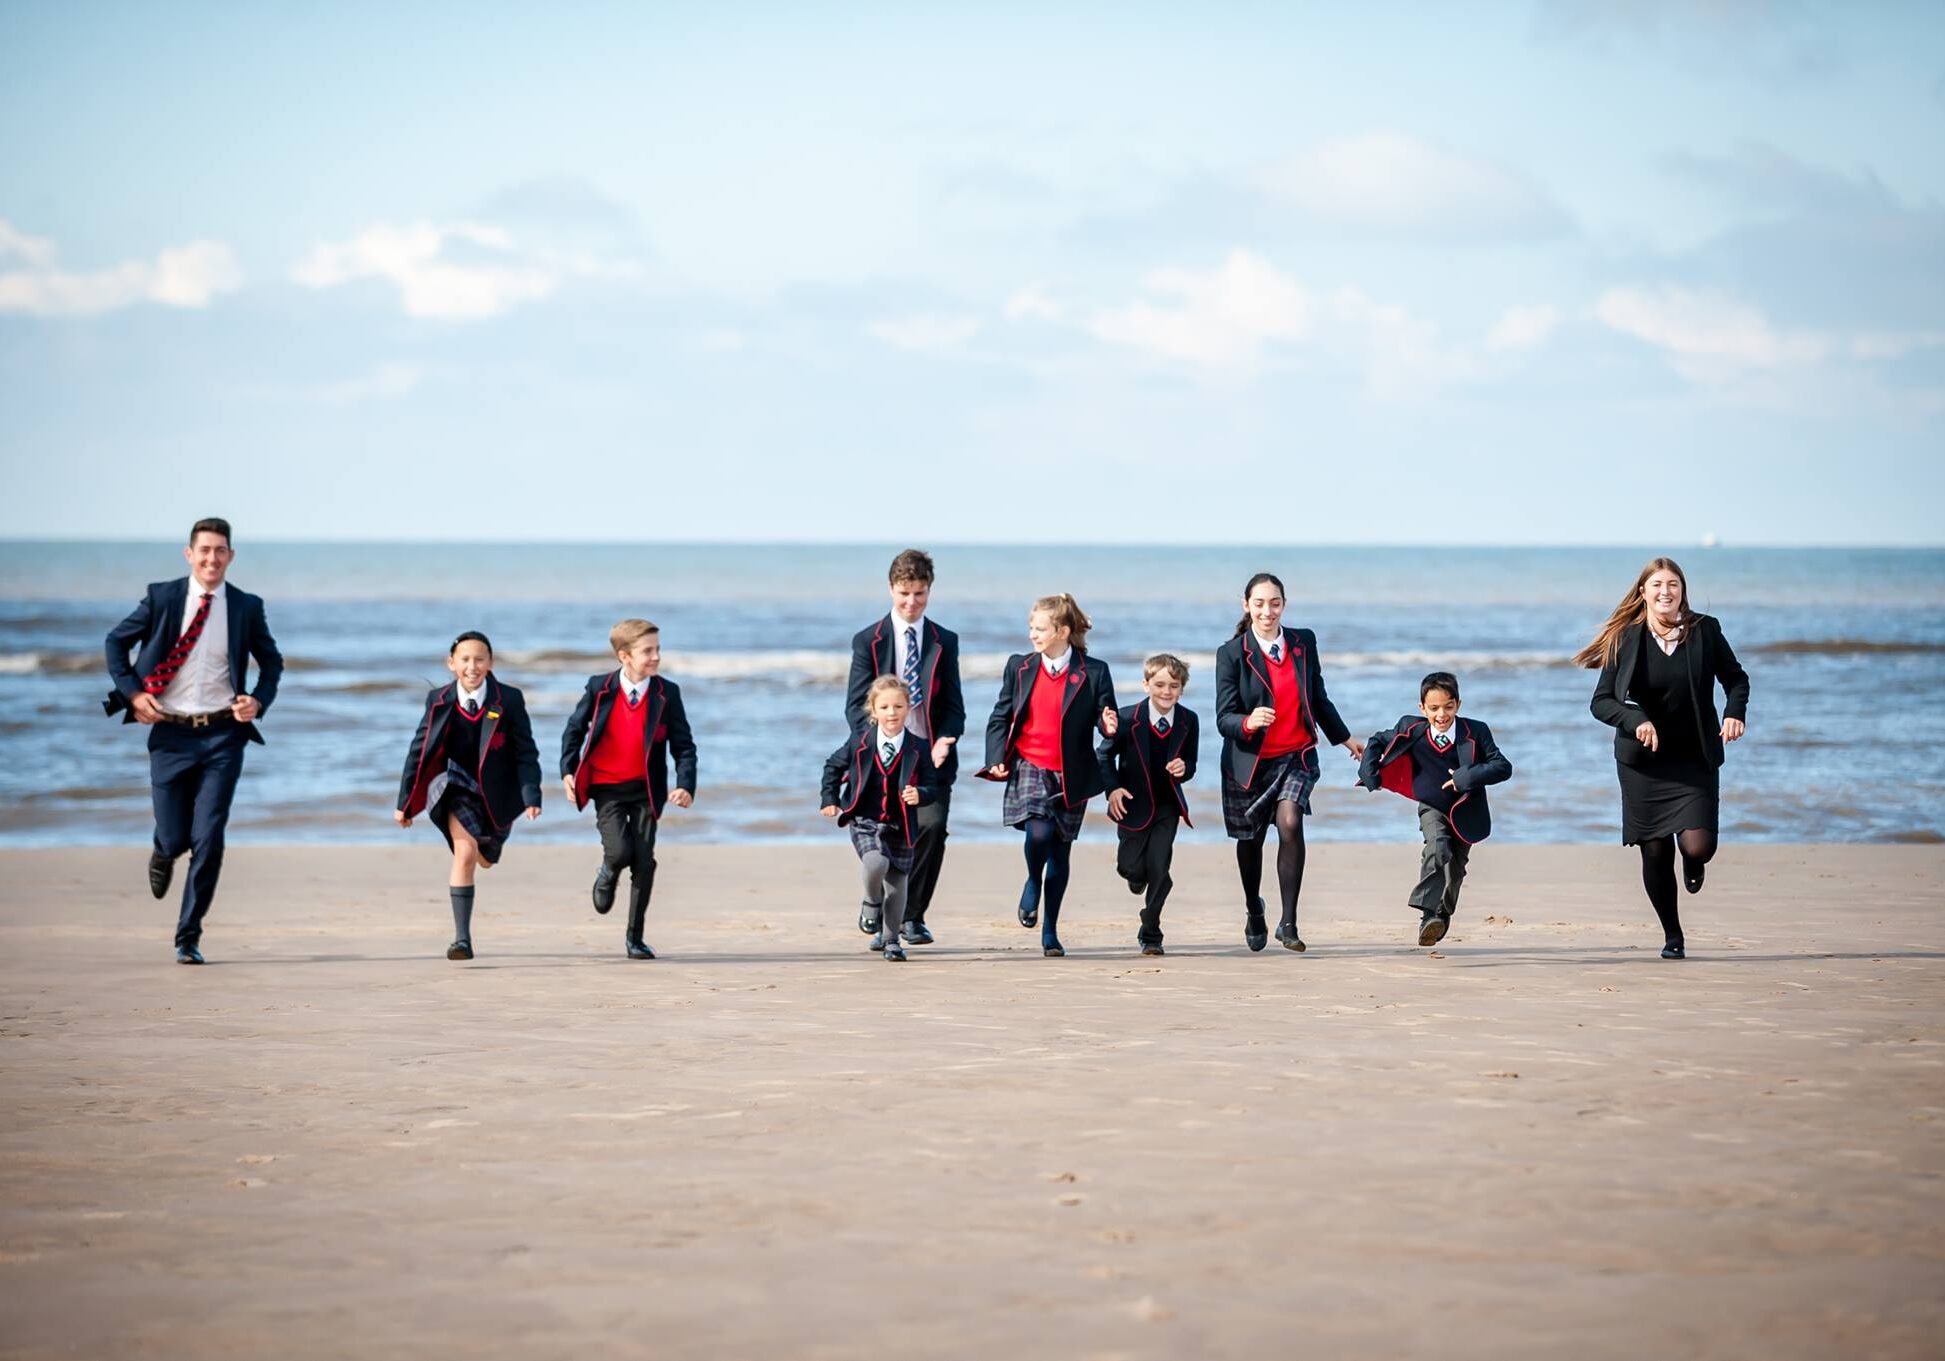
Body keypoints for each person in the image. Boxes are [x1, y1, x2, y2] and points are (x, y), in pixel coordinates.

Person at [102, 517, 284, 965]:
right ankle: (163, 851)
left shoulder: (245, 606)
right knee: (174, 835)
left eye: (220, 550)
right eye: (204, 550)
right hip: (169, 733)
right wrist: (133, 693)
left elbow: (272, 663)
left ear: (231, 556)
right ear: (189, 554)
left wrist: (257, 702)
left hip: (224, 735)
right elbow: (114, 642)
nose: (211, 558)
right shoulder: (163, 597)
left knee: (209, 837)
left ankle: (188, 936)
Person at [1578, 557, 1749, 959]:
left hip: (1693, 757)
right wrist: (1634, 718)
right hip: (1643, 762)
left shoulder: (1705, 631)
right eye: (1657, 585)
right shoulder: (1626, 637)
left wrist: (1734, 712)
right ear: (1643, 592)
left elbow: (1736, 678)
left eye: (1673, 584)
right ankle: (1673, 936)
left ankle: (1694, 861)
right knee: (1654, 850)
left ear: (1682, 591)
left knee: (1698, 846)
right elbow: (1601, 702)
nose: (1665, 591)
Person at [1213, 572, 1363, 954]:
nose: (1268, 611)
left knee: (1291, 823)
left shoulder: (1303, 642)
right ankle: (1253, 909)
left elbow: (1317, 695)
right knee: (1250, 843)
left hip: (1296, 755)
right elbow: (1223, 717)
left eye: (1274, 603)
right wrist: (1248, 722)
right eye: (1259, 603)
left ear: (1284, 604)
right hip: (1249, 764)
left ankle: (1289, 922)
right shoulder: (1230, 654)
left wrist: (1344, 738)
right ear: (1246, 605)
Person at [980, 593, 1118, 958]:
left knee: (1060, 852)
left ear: (1063, 631)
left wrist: (1108, 724)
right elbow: (1000, 714)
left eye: (1039, 629)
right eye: (1031, 628)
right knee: (1038, 832)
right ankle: (1030, 881)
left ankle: (1051, 931)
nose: (1032, 635)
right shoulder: (1019, 666)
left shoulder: (1094, 671)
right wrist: (996, 756)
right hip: (1030, 764)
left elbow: (1107, 721)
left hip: (1072, 773)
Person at [395, 632, 543, 961]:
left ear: (490, 663)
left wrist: (531, 794)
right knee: (465, 852)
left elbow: (526, 752)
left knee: (486, 858)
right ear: (452, 664)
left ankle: (484, 849)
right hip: (453, 784)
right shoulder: (438, 699)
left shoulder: (509, 699)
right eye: (464, 659)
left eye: (479, 659)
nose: (472, 666)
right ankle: (462, 940)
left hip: (497, 792)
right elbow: (418, 751)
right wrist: (405, 804)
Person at [844, 548, 965, 946]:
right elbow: (855, 706)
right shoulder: (868, 640)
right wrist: (877, 744)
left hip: (930, 757)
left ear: (929, 590)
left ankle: (912, 917)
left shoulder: (944, 640)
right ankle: (876, 904)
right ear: (890, 590)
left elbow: (953, 705)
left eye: (920, 593)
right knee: (882, 839)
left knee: (931, 828)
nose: (911, 602)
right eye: (904, 593)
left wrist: (945, 739)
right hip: (881, 759)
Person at [560, 619, 698, 960]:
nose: (656, 657)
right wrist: (567, 770)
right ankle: (607, 871)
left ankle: (634, 939)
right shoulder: (599, 688)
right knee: (620, 853)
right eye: (647, 651)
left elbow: (684, 746)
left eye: (658, 649)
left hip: (645, 790)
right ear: (624, 655)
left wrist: (685, 784)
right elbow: (573, 731)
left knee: (644, 862)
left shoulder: (667, 693)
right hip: (606, 786)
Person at [1357, 671, 1513, 947]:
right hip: (1431, 804)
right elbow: (1377, 741)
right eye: (1434, 708)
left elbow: (1503, 767)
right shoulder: (1411, 728)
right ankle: (1427, 915)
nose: (1442, 715)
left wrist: (1466, 776)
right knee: (1437, 847)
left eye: (1448, 707)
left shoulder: (1475, 731)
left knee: (1456, 870)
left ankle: (1441, 914)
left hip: (1466, 810)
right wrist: (1369, 771)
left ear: (1458, 705)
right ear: (1422, 708)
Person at [822, 676, 940, 962]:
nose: (892, 712)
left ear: (909, 709)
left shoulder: (920, 746)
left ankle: (891, 942)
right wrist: (830, 799)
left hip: (901, 825)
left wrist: (920, 794)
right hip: (865, 819)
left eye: (898, 706)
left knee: (898, 885)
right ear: (873, 711)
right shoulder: (858, 742)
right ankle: (870, 902)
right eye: (884, 706)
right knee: (876, 862)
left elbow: (933, 785)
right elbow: (832, 767)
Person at [1097, 654, 1198, 957]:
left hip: (1168, 806)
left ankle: (1151, 931)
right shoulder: (1127, 717)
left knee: (1159, 867)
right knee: (1129, 867)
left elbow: (1190, 762)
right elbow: (1103, 755)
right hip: (1131, 805)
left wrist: (1184, 768)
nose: (1167, 692)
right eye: (1160, 685)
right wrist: (1112, 789)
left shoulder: (1188, 719)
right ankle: (1135, 877)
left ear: (1182, 688)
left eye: (1174, 686)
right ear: (1146, 685)